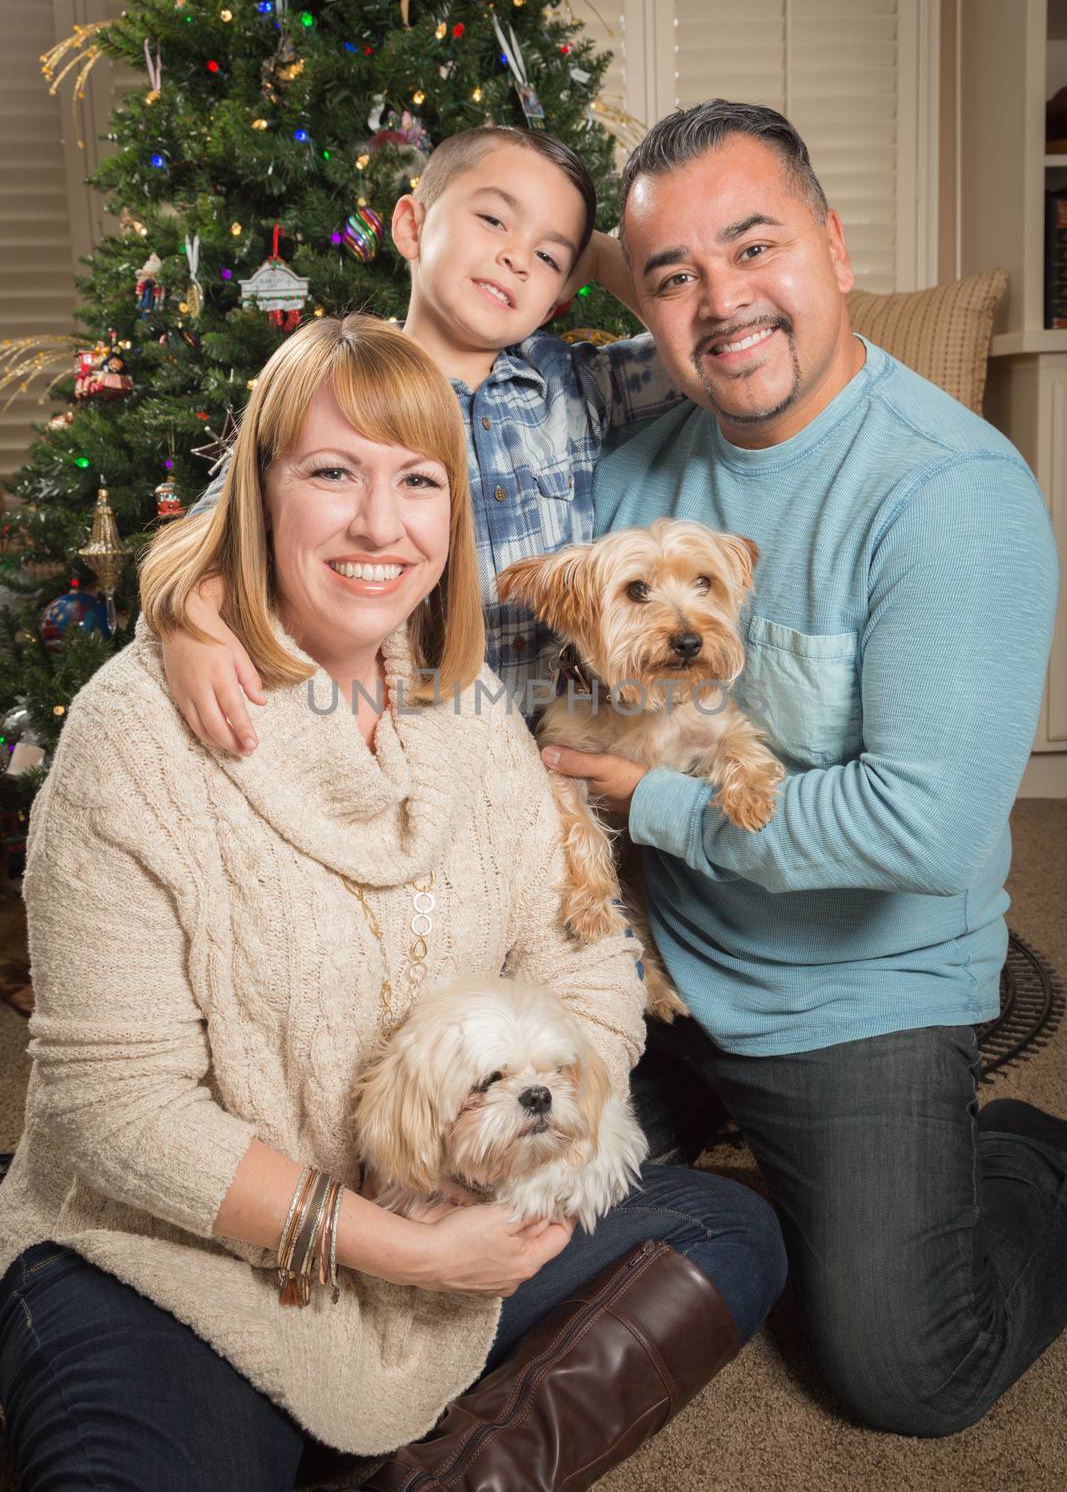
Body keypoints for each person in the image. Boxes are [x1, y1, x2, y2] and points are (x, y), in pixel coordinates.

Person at [0, 315, 786, 1492]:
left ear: (452, 513)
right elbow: (117, 1110)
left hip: (466, 1190)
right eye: (331, 472)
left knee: (730, 1229)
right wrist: (397, 1246)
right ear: (258, 494)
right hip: (177, 1257)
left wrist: (512, 1172)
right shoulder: (132, 739)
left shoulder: (464, 712)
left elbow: (582, 960)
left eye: (418, 480)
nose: (379, 523)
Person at [537, 99, 1066, 1439]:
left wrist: (634, 798)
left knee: (904, 1367)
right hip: (658, 958)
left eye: (752, 246)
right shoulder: (631, 468)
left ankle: (1025, 1158)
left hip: (858, 983)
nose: (720, 302)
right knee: (498, 1203)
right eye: (673, 276)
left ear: (830, 249)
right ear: (646, 310)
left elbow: (923, 832)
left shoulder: (949, 494)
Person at [164, 125, 679, 749]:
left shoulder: (576, 384)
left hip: (557, 753)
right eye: (494, 219)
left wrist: (596, 254)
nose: (518, 257)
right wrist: (192, 629)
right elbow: (206, 534)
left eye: (547, 256)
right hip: (419, 747)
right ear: (410, 226)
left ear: (558, 297)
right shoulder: (345, 385)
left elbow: (697, 346)